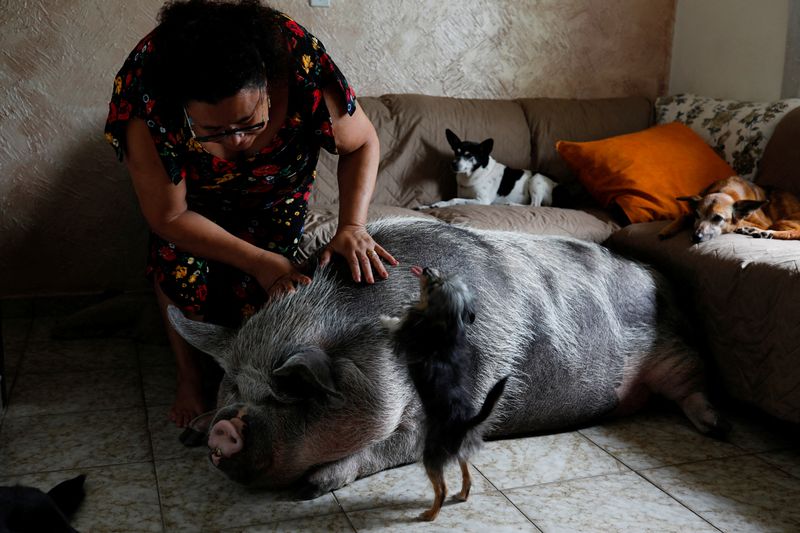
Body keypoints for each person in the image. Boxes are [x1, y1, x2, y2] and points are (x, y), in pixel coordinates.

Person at [104, 0, 397, 427]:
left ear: (270, 84)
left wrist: (352, 226)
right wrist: (261, 262)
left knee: (270, 301)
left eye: (250, 122)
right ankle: (189, 379)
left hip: (278, 195)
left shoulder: (301, 66)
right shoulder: (145, 97)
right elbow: (168, 217)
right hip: (192, 209)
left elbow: (362, 143)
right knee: (179, 266)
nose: (238, 140)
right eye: (214, 132)